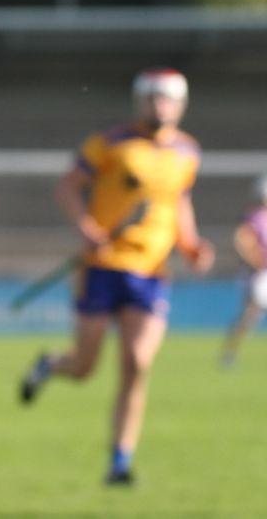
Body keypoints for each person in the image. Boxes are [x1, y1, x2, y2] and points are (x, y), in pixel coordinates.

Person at [19, 67, 215, 486]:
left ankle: (120, 462)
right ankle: (51, 364)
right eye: (153, 97)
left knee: (137, 362)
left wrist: (192, 244)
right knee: (85, 366)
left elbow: (179, 201)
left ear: (181, 105)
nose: (160, 106)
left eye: (169, 99)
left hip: (151, 272)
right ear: (139, 101)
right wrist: (87, 228)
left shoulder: (187, 152)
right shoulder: (109, 143)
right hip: (103, 268)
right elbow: (68, 187)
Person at [218, 174, 267, 368]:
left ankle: (230, 353)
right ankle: (230, 353)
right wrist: (254, 261)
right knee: (250, 314)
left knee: (251, 314)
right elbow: (242, 240)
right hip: (258, 274)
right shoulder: (253, 217)